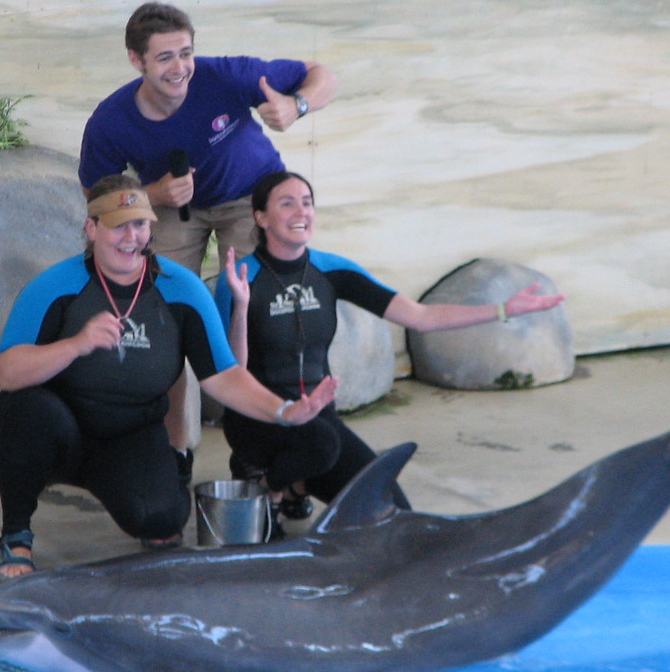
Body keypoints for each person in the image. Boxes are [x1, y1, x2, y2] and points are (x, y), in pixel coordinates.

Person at [0, 173, 339, 581]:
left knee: (162, 522)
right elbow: (8, 373)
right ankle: (16, 534)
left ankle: (141, 479)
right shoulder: (55, 285)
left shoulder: (180, 289)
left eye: (140, 224)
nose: (131, 237)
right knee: (22, 409)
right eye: (118, 225)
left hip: (130, 434)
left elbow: (223, 375)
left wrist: (282, 411)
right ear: (91, 228)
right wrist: (76, 344)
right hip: (60, 431)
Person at [216, 171, 565, 528]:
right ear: (261, 217)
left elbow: (421, 317)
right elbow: (232, 372)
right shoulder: (241, 278)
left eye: (307, 202)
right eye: (287, 203)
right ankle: (266, 486)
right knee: (320, 445)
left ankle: (294, 484)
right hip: (260, 417)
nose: (301, 212)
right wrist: (241, 307)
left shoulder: (331, 270)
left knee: (392, 510)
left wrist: (502, 310)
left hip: (317, 417)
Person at [77, 1, 339, 462]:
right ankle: (175, 448)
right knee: (165, 317)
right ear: (136, 60)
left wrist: (296, 105)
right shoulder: (111, 119)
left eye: (186, 53)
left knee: (262, 310)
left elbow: (322, 75)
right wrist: (151, 194)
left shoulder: (225, 76)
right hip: (173, 208)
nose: (180, 68)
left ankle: (272, 440)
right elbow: (96, 196)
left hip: (250, 198)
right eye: (164, 58)